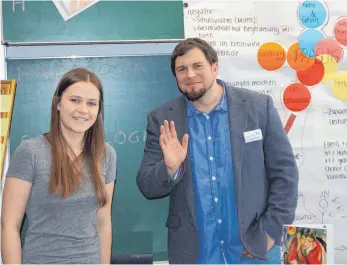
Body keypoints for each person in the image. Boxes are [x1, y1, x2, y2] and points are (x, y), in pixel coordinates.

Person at [136, 38, 299, 264]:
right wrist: (170, 168)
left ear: (214, 67)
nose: (190, 74)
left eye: (197, 66)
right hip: (195, 253)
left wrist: (270, 232)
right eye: (181, 69)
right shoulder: (163, 119)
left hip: (253, 250)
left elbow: (285, 174)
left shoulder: (258, 107)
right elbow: (147, 186)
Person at [1, 68, 117, 264]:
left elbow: (103, 222)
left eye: (91, 103)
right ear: (57, 103)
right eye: (75, 100)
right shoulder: (30, 152)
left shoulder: (107, 155)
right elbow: (9, 225)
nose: (83, 110)